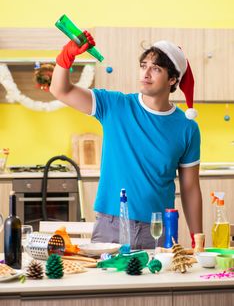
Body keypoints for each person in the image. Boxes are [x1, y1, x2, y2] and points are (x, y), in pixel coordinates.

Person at [50, 32, 203, 249]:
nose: (146, 73)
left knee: (159, 283)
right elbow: (60, 90)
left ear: (172, 79)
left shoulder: (187, 128)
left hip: (158, 230)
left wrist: (199, 240)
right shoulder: (115, 106)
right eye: (143, 66)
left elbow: (190, 188)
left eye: (156, 68)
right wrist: (66, 56)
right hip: (110, 227)